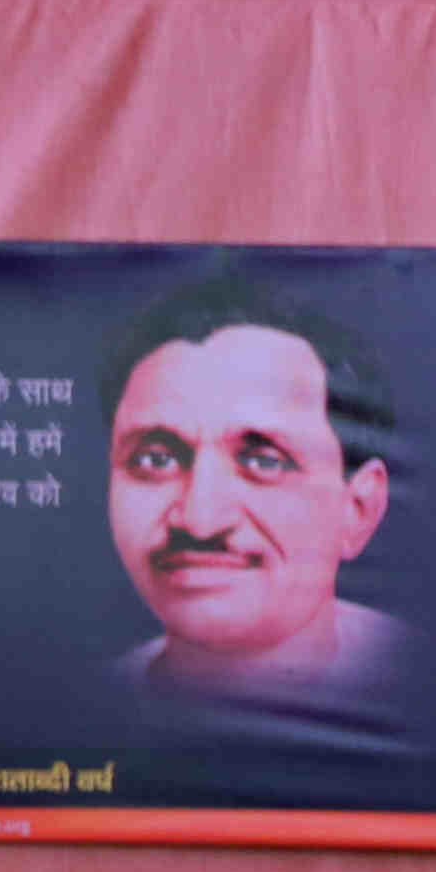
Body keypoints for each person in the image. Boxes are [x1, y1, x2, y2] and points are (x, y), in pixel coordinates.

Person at [98, 276, 409, 719]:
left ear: (358, 509)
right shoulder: (72, 718)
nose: (200, 520)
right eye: (155, 460)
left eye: (265, 462)